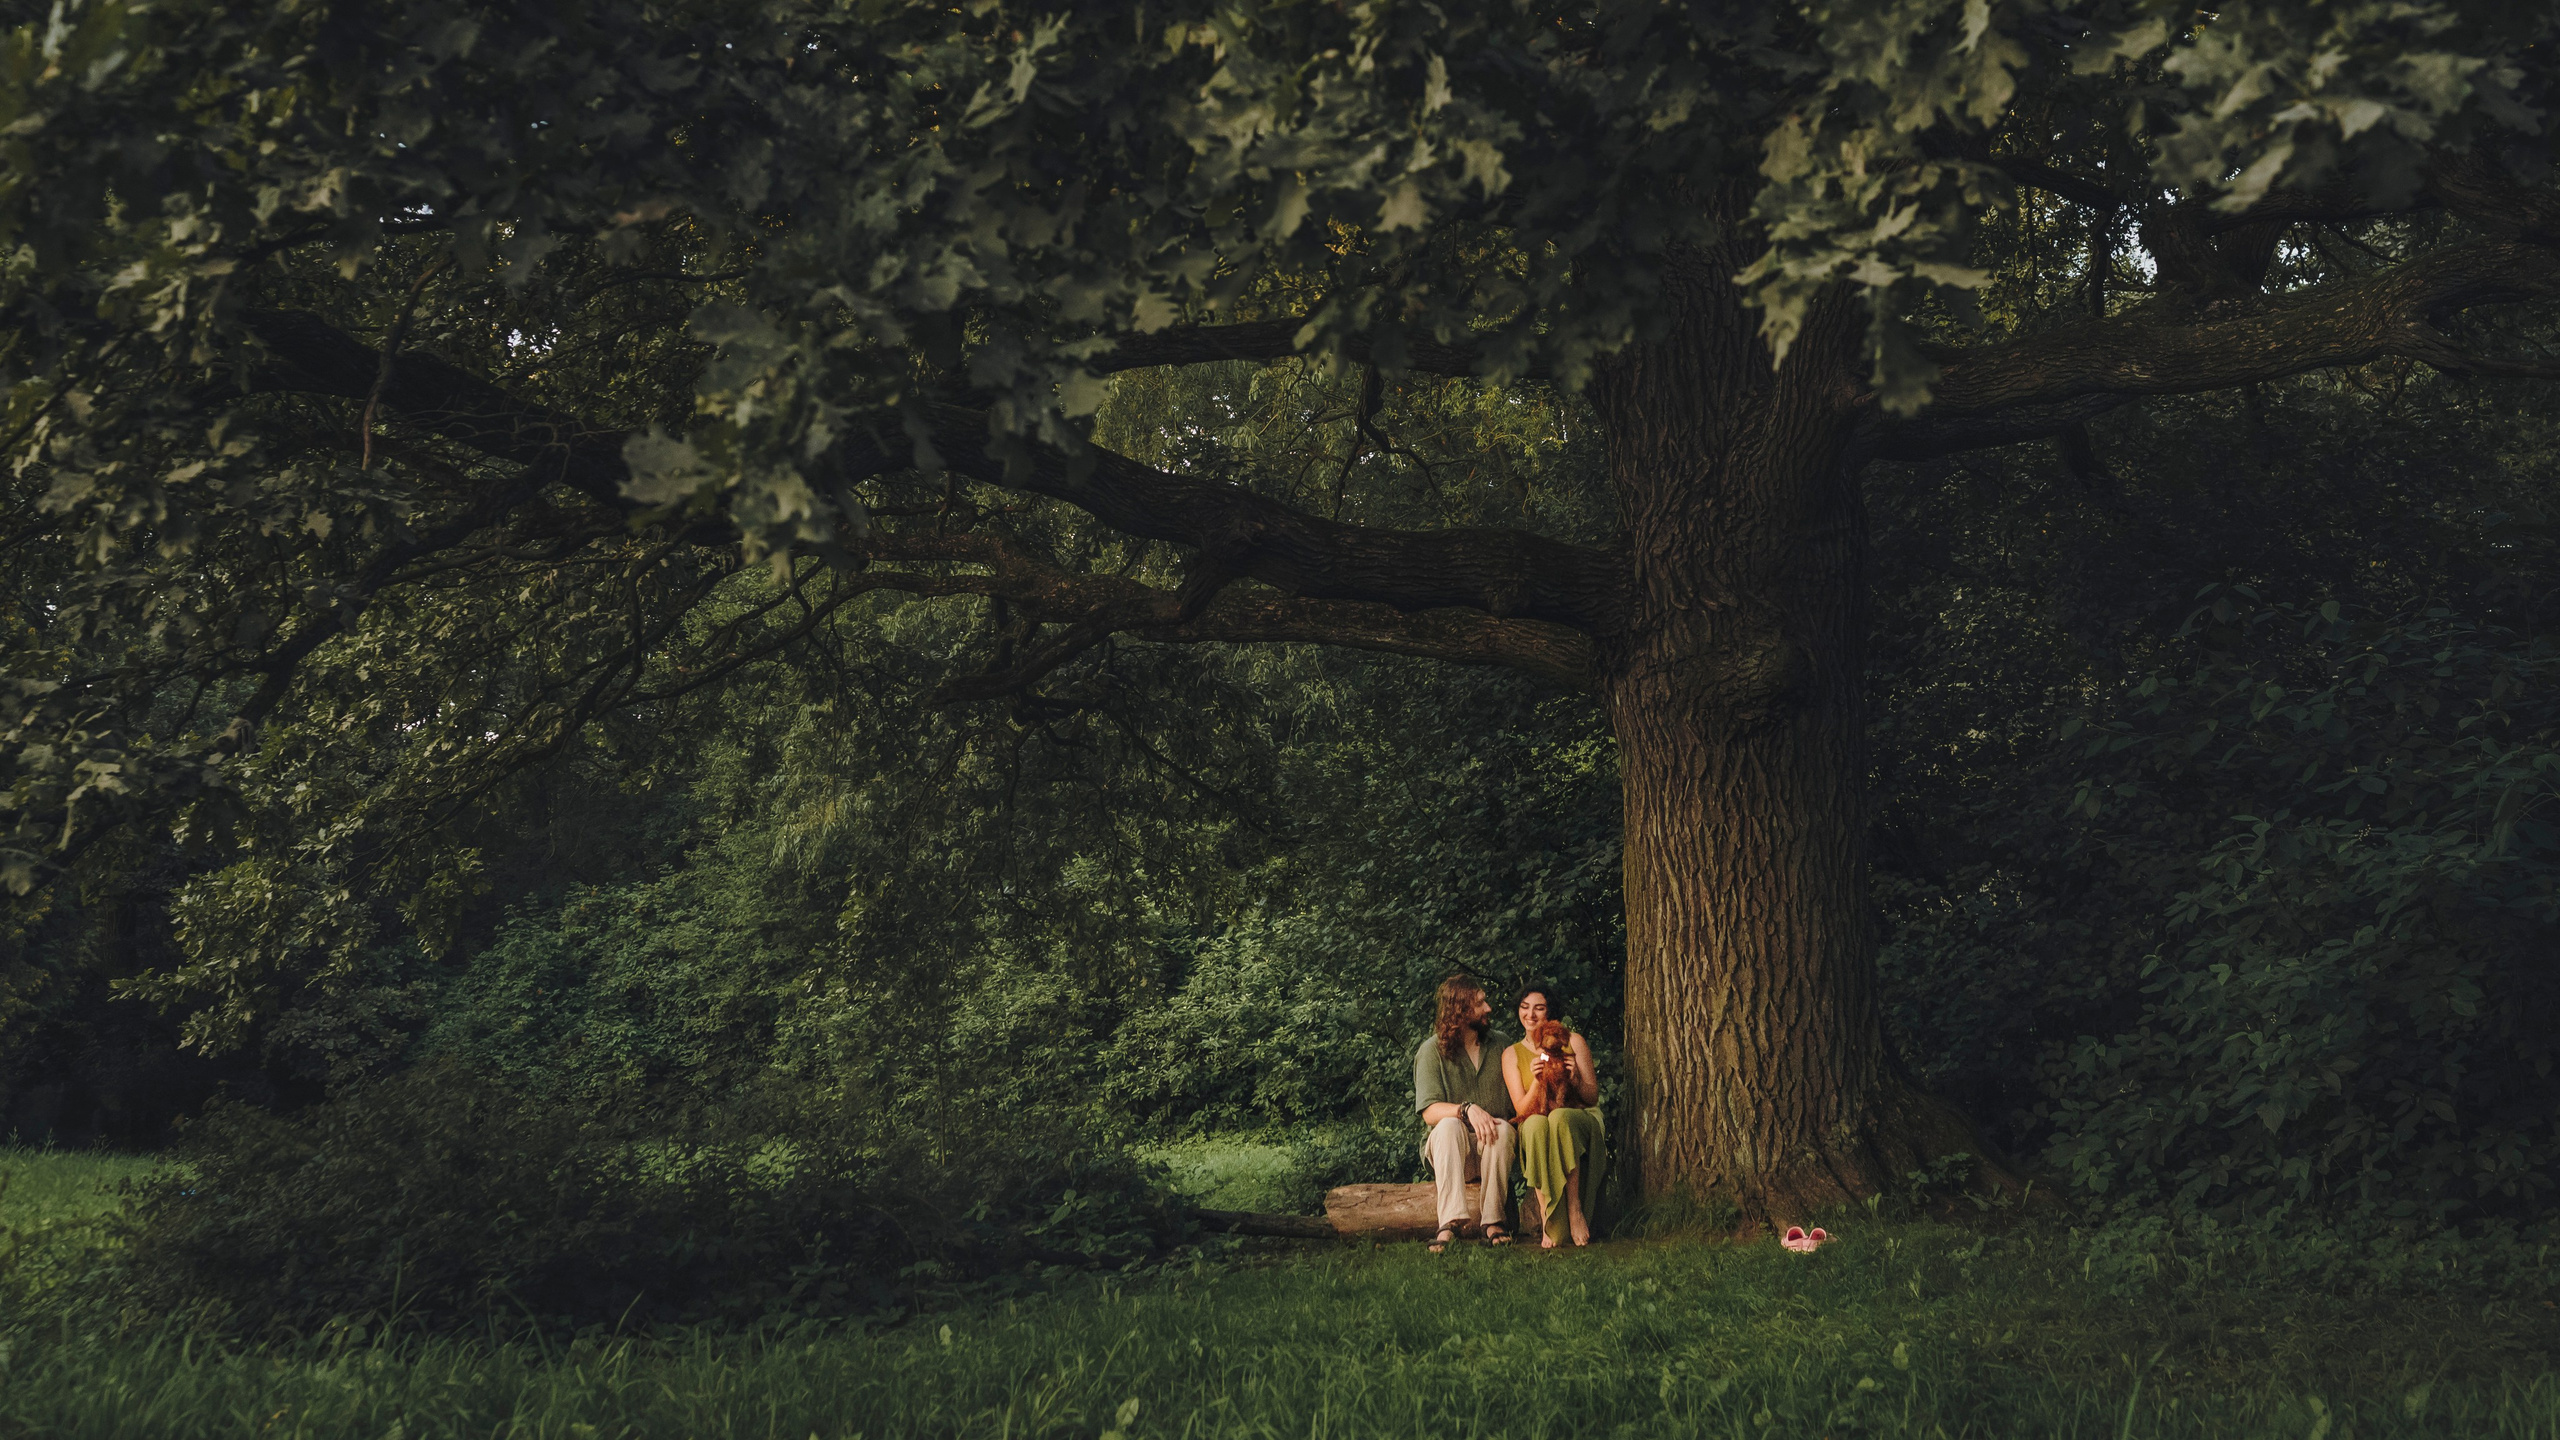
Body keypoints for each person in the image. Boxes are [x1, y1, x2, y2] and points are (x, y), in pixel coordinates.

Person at [1412, 973, 1517, 1251]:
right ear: (1460, 1009)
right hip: (1451, 1151)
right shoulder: (1431, 1051)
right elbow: (1429, 1112)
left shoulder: (1501, 1044)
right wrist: (1466, 1110)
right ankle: (1448, 1223)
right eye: (1480, 1003)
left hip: (1493, 1151)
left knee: (1503, 1128)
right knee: (1447, 1125)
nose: (1488, 1009)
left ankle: (1493, 1222)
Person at [1503, 985, 1603, 1248]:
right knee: (1535, 1124)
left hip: (1576, 1118)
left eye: (1539, 1008)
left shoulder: (1574, 1041)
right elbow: (1522, 1111)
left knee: (1559, 1116)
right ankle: (1546, 1214)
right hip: (1537, 1119)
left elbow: (1592, 1096)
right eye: (1524, 1007)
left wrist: (1576, 1080)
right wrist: (1537, 1082)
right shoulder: (1511, 1053)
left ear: (1551, 1012)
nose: (1530, 1014)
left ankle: (1574, 1208)